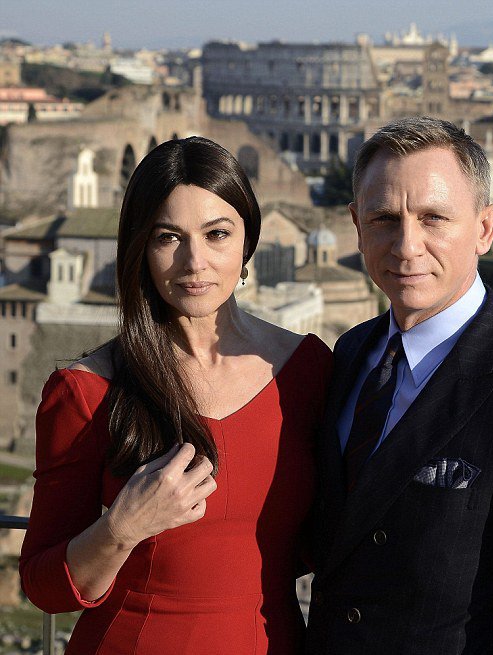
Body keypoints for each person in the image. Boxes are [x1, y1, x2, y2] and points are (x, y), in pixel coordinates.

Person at [306, 117, 493, 655]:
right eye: (384, 218)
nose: (407, 246)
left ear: (485, 228)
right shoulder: (352, 354)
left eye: (433, 218)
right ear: (357, 226)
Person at [20, 136, 332, 655]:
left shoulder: (308, 370)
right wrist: (123, 526)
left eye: (217, 234)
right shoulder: (86, 392)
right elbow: (44, 587)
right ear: (141, 248)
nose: (195, 261)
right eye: (169, 237)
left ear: (247, 242)